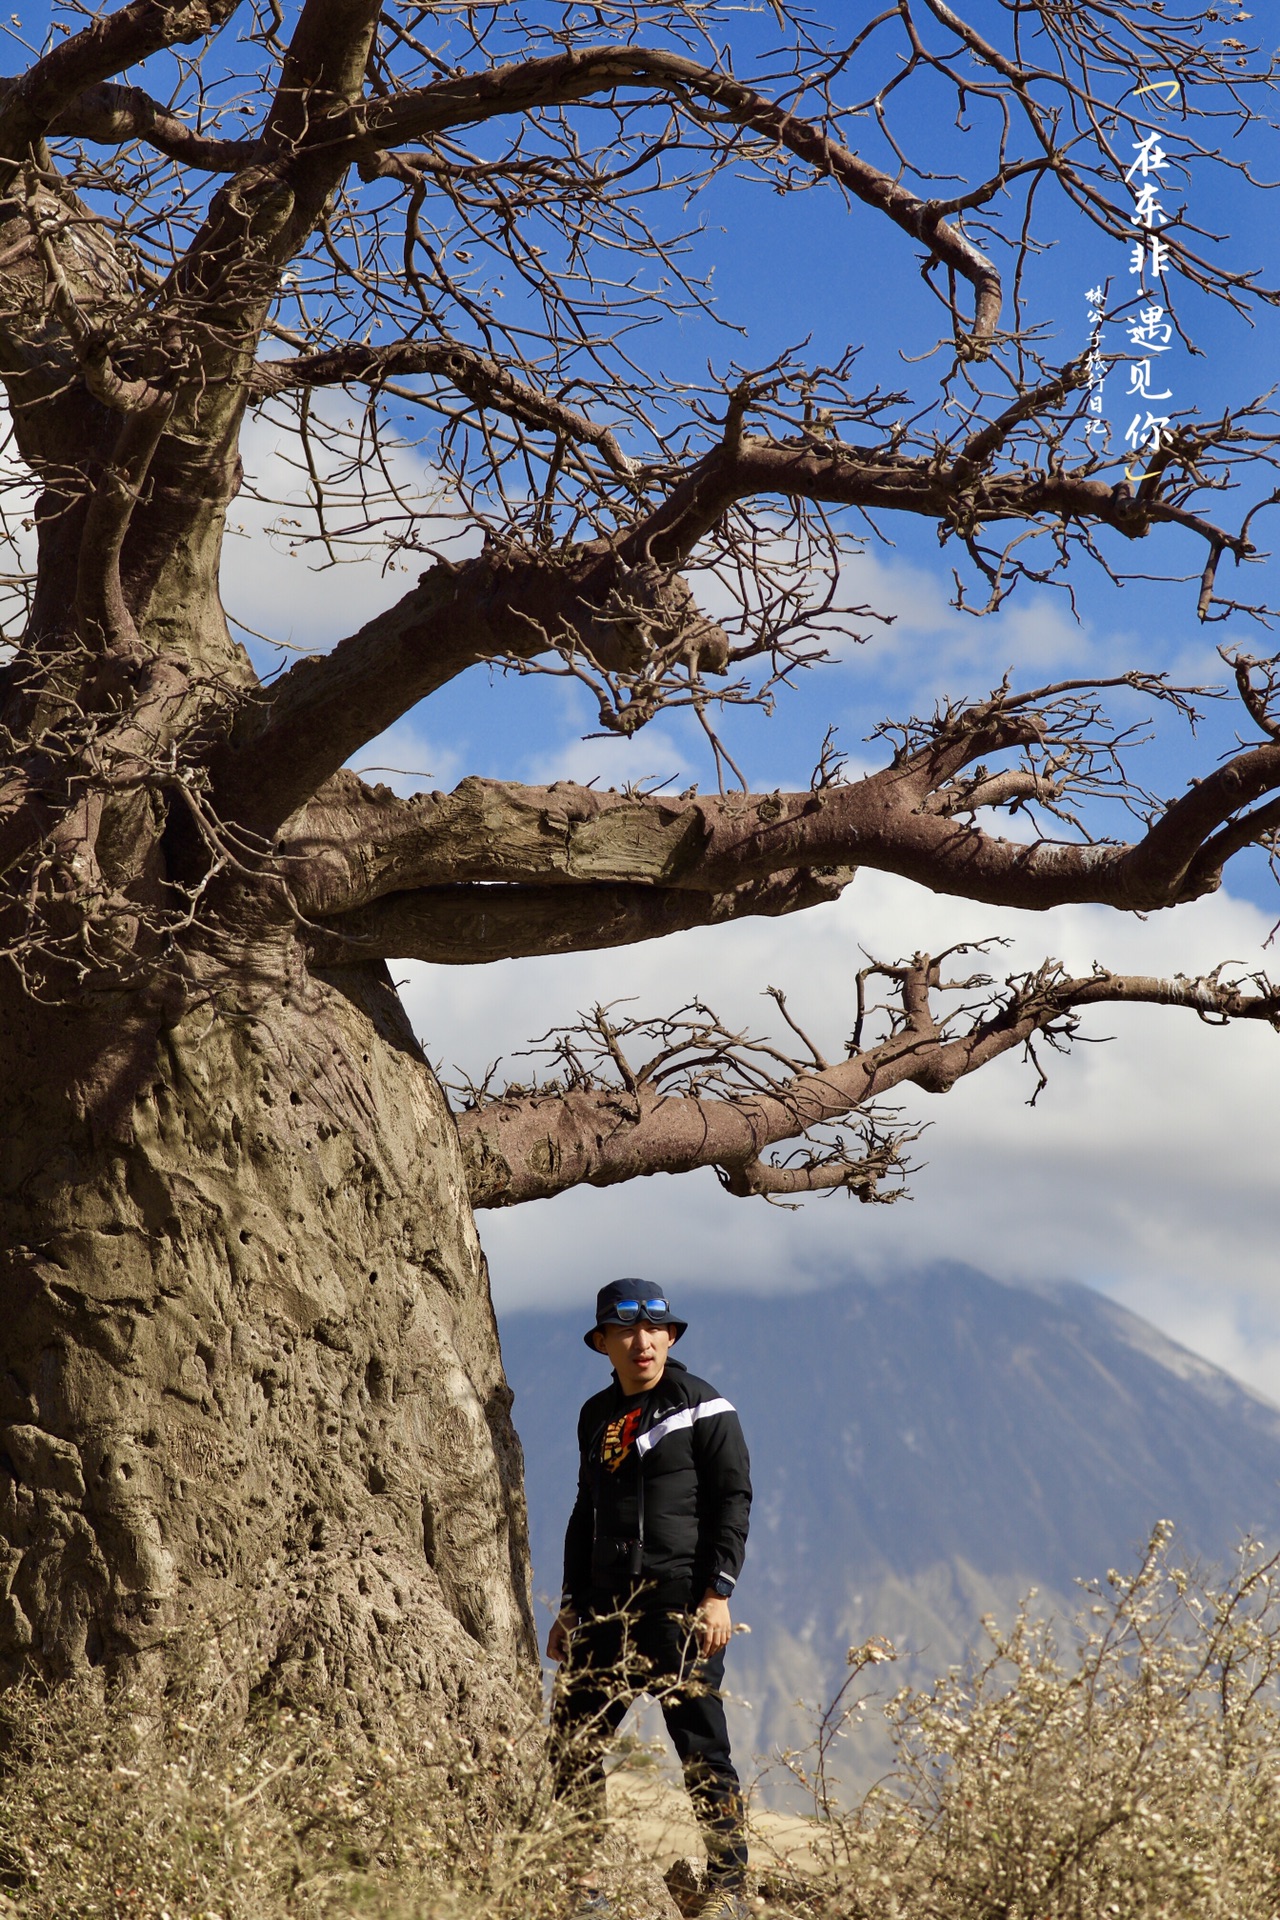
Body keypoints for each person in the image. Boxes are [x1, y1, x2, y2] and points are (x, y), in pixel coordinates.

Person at [548, 1280, 752, 1920]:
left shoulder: (705, 1407)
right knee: (572, 1743)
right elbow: (585, 1512)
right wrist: (570, 1604)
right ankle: (584, 1889)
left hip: (682, 1612)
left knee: (702, 1752)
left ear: (670, 1337)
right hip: (605, 1610)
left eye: (654, 1331)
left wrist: (719, 1594)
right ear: (602, 1343)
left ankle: (729, 1892)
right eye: (626, 1333)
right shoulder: (595, 1414)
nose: (642, 1343)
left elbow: (733, 1502)